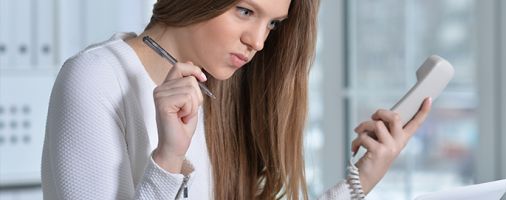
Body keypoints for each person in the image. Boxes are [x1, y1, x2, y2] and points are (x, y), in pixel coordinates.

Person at [41, 0, 432, 199]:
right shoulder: (94, 78)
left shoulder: (215, 90)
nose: (258, 41)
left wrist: (363, 177)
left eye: (272, 23)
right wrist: (167, 161)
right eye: (246, 11)